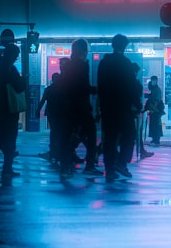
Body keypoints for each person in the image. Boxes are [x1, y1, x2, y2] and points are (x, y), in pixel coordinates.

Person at [96, 34, 139, 182]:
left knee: (110, 138)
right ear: (125, 46)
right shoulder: (126, 63)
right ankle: (121, 162)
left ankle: (110, 169)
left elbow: (100, 86)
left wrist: (100, 106)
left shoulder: (104, 62)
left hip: (108, 107)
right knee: (129, 134)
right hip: (123, 107)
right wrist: (137, 103)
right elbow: (132, 85)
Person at [0, 42, 27, 180]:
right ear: (12, 54)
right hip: (8, 109)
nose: (16, 58)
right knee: (9, 139)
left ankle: (2, 165)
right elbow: (19, 87)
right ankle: (2, 165)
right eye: (16, 55)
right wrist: (24, 79)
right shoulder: (9, 68)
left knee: (2, 138)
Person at [60, 39, 99, 177]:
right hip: (81, 106)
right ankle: (90, 164)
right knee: (91, 132)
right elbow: (84, 87)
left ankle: (65, 165)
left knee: (69, 135)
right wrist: (97, 90)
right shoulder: (82, 66)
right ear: (84, 51)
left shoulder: (68, 66)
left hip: (69, 106)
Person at [36, 71, 66, 162]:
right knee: (59, 132)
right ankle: (57, 151)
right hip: (60, 113)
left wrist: (38, 110)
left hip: (52, 113)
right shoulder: (63, 89)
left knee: (54, 132)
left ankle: (53, 151)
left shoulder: (49, 89)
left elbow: (43, 100)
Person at [144, 75, 164, 146]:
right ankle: (154, 138)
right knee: (152, 124)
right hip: (152, 110)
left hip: (156, 110)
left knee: (156, 125)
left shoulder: (157, 90)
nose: (153, 81)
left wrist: (153, 109)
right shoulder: (152, 89)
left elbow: (157, 100)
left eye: (154, 80)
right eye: (152, 80)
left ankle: (156, 139)